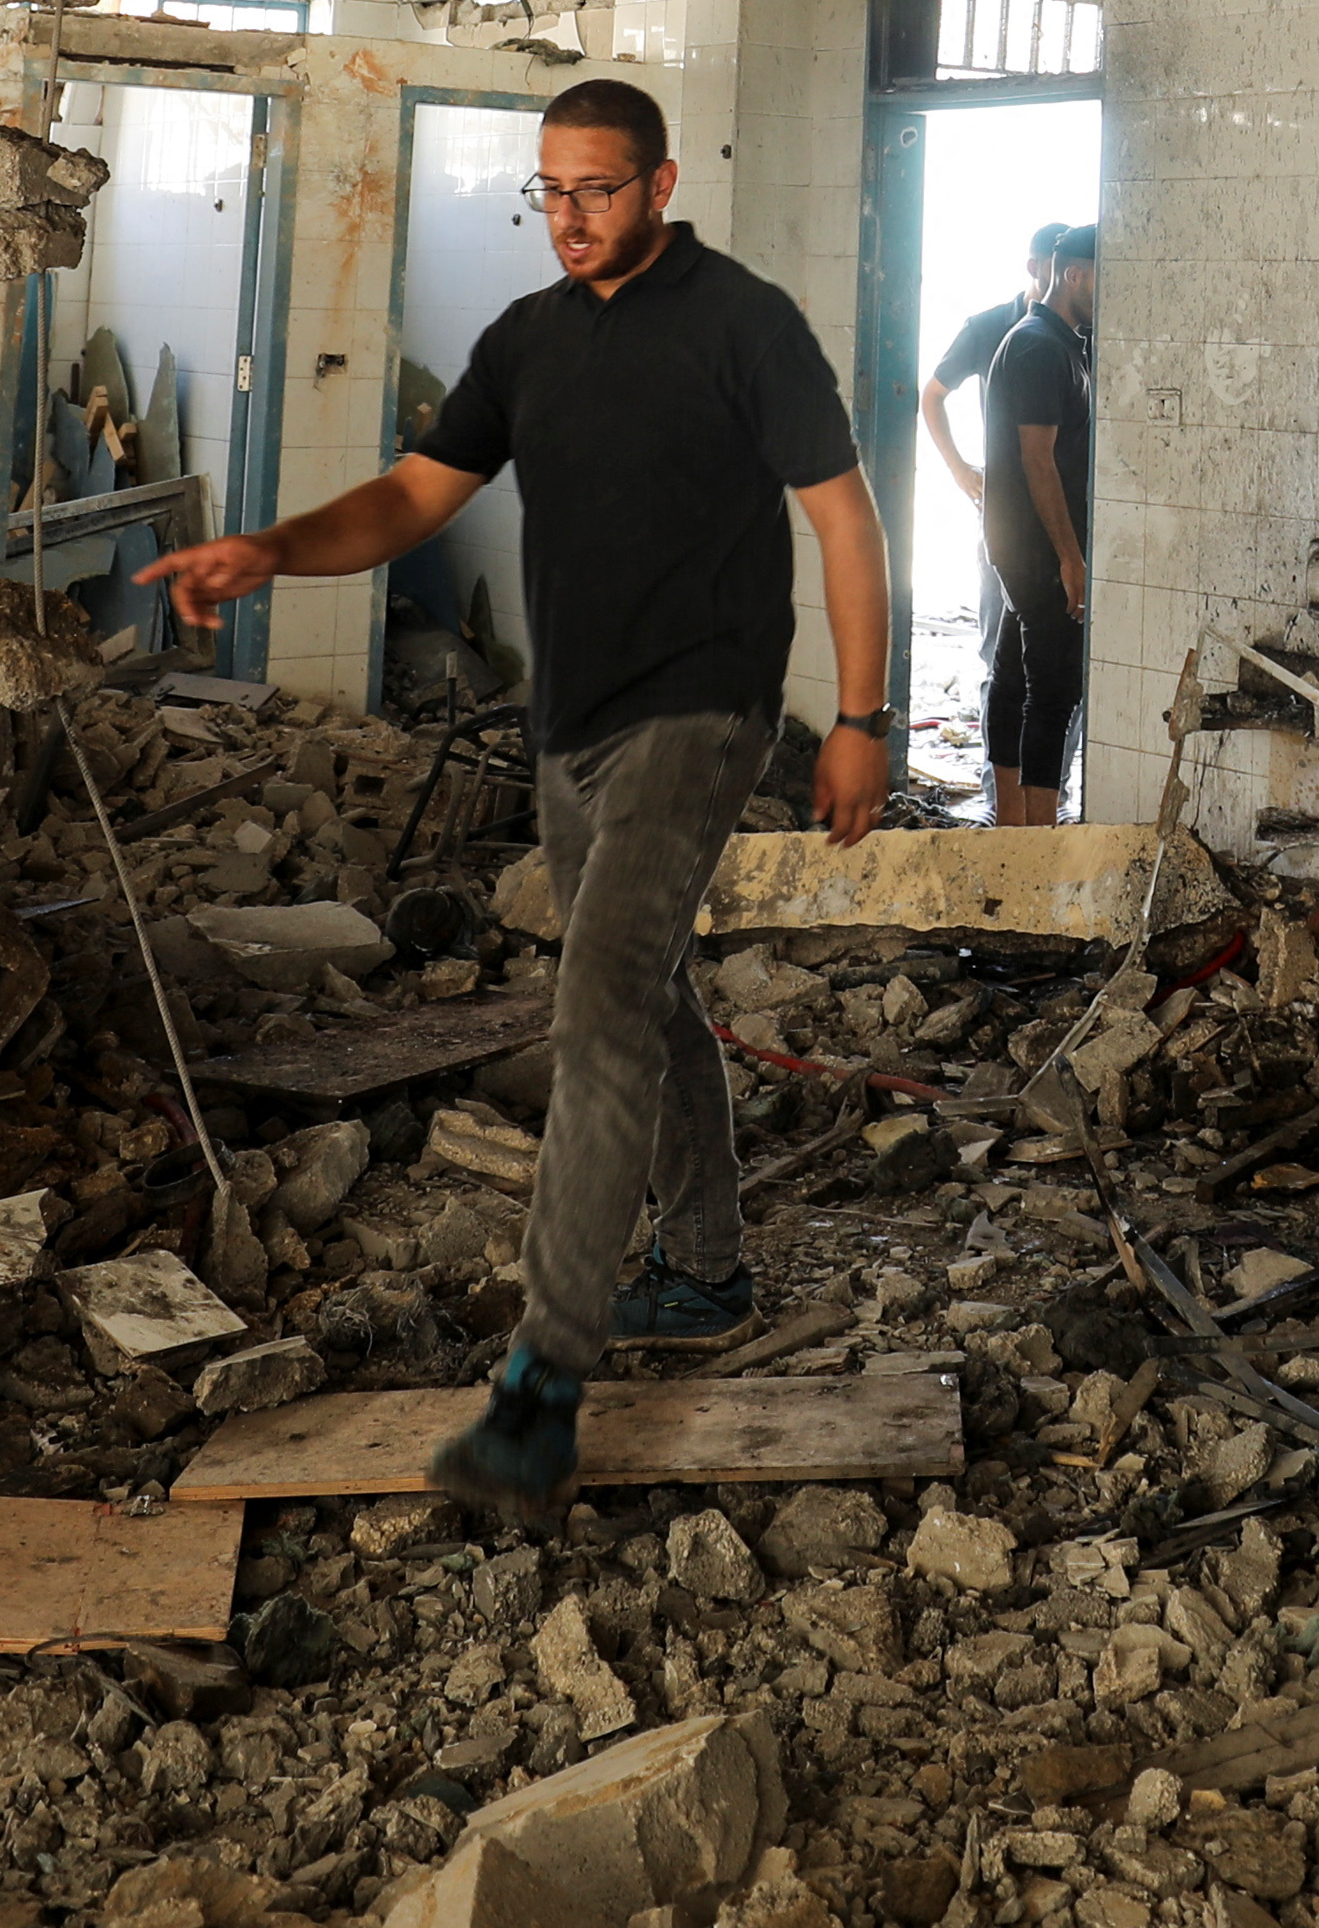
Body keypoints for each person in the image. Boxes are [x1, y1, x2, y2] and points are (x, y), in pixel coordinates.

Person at [137, 77, 892, 1524]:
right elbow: (417, 497)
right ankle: (708, 1265)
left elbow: (843, 517)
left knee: (597, 1007)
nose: (569, 217)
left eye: (597, 189)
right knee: (640, 984)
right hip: (575, 723)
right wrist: (274, 549)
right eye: (548, 190)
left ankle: (543, 1381)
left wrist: (857, 716)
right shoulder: (528, 339)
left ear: (661, 184)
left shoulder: (746, 324)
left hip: (704, 706)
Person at [977, 224, 1098, 823]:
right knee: (1053, 690)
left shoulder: (1063, 340)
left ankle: (1012, 829)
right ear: (1075, 274)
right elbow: (1036, 458)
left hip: (1024, 544)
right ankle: (1036, 845)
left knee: (1014, 676)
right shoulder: (1037, 346)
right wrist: (1069, 557)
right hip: (1035, 548)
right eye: (1104, 279)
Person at [915, 227, 1057, 521]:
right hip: (1005, 507)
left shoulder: (1085, 335)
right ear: (1034, 268)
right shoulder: (987, 327)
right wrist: (959, 470)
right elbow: (933, 396)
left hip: (1066, 501)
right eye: (1058, 268)